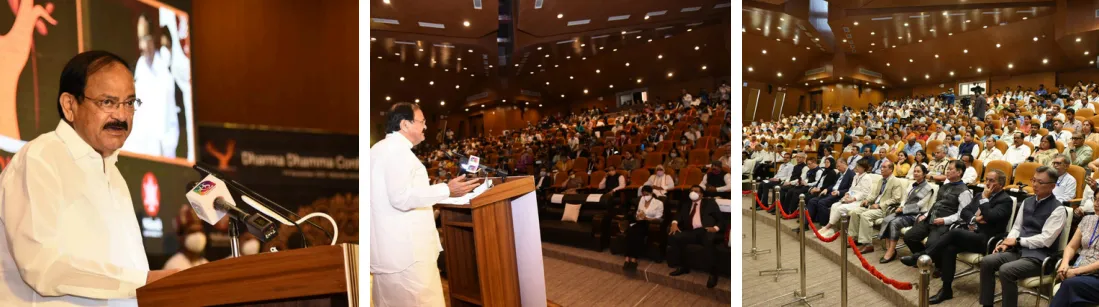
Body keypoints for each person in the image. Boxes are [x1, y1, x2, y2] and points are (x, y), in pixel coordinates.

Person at [0, 51, 178, 306]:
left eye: (129, 103)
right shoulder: (41, 159)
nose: (122, 116)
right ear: (69, 106)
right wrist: (144, 282)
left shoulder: (114, 175)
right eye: (108, 102)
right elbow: (42, 266)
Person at [370, 102, 480, 306]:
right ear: (405, 124)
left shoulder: (378, 150)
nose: (426, 127)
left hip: (390, 254)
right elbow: (401, 198)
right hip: (408, 256)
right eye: (422, 122)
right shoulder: (396, 152)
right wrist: (447, 189)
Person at [979, 166, 1068, 307]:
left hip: (1039, 257)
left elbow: (1046, 240)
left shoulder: (1058, 209)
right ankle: (986, 304)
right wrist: (1007, 242)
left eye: (1040, 182)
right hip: (1018, 251)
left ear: (1052, 186)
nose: (1035, 184)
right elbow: (1017, 227)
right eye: (1034, 180)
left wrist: (1017, 241)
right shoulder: (1027, 201)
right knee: (987, 261)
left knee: (1006, 270)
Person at [921, 169, 1014, 304]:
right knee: (949, 248)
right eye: (986, 179)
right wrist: (974, 219)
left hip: (987, 240)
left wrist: (985, 199)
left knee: (954, 233)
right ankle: (946, 289)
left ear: (1001, 184)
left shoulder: (1005, 200)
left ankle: (925, 254)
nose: (987, 183)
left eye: (991, 180)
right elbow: (965, 211)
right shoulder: (980, 195)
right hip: (971, 234)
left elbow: (991, 216)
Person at [901, 160, 975, 266]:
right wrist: (926, 215)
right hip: (930, 219)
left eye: (950, 169)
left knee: (931, 243)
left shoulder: (964, 191)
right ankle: (924, 260)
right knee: (909, 237)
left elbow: (962, 214)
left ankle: (936, 265)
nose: (947, 171)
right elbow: (936, 204)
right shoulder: (945, 186)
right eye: (947, 169)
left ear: (959, 172)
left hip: (944, 224)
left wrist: (944, 220)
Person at [668, 186, 724, 288]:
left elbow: (720, 219)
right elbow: (678, 215)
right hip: (690, 231)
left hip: (705, 230)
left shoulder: (709, 203)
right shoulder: (686, 204)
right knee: (675, 237)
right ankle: (683, 266)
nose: (693, 193)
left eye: (696, 191)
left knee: (709, 242)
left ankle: (713, 274)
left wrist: (715, 228)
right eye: (691, 191)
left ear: (701, 194)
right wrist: (674, 223)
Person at [1050, 189, 1099, 306]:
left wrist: (1076, 271)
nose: (1097, 204)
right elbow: (1071, 246)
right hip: (1080, 271)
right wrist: (1064, 264)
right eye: (1096, 199)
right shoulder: (1088, 220)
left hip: (1095, 275)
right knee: (1073, 294)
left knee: (1069, 285)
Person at [879, 165, 935, 263]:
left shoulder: (928, 188)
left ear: (924, 174)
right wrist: (901, 206)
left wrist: (903, 209)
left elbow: (920, 205)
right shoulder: (912, 184)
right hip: (904, 210)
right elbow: (904, 198)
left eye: (918, 172)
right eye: (915, 171)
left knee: (895, 223)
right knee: (887, 219)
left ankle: (891, 251)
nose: (916, 173)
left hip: (916, 214)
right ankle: (890, 248)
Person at [852, 161, 905, 253]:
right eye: (881, 167)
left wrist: (879, 205)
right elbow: (874, 195)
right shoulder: (881, 180)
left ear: (891, 170)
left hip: (885, 209)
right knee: (855, 212)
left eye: (884, 167)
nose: (881, 169)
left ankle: (868, 244)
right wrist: (867, 200)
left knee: (865, 215)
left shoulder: (896, 181)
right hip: (873, 206)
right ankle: (855, 238)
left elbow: (896, 199)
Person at [623, 186, 663, 271]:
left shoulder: (659, 203)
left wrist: (647, 218)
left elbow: (659, 217)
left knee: (636, 232)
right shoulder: (641, 200)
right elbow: (638, 211)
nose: (645, 196)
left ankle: (633, 258)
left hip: (649, 223)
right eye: (643, 194)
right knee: (630, 231)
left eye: (647, 194)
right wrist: (638, 216)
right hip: (640, 222)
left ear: (651, 193)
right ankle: (627, 257)